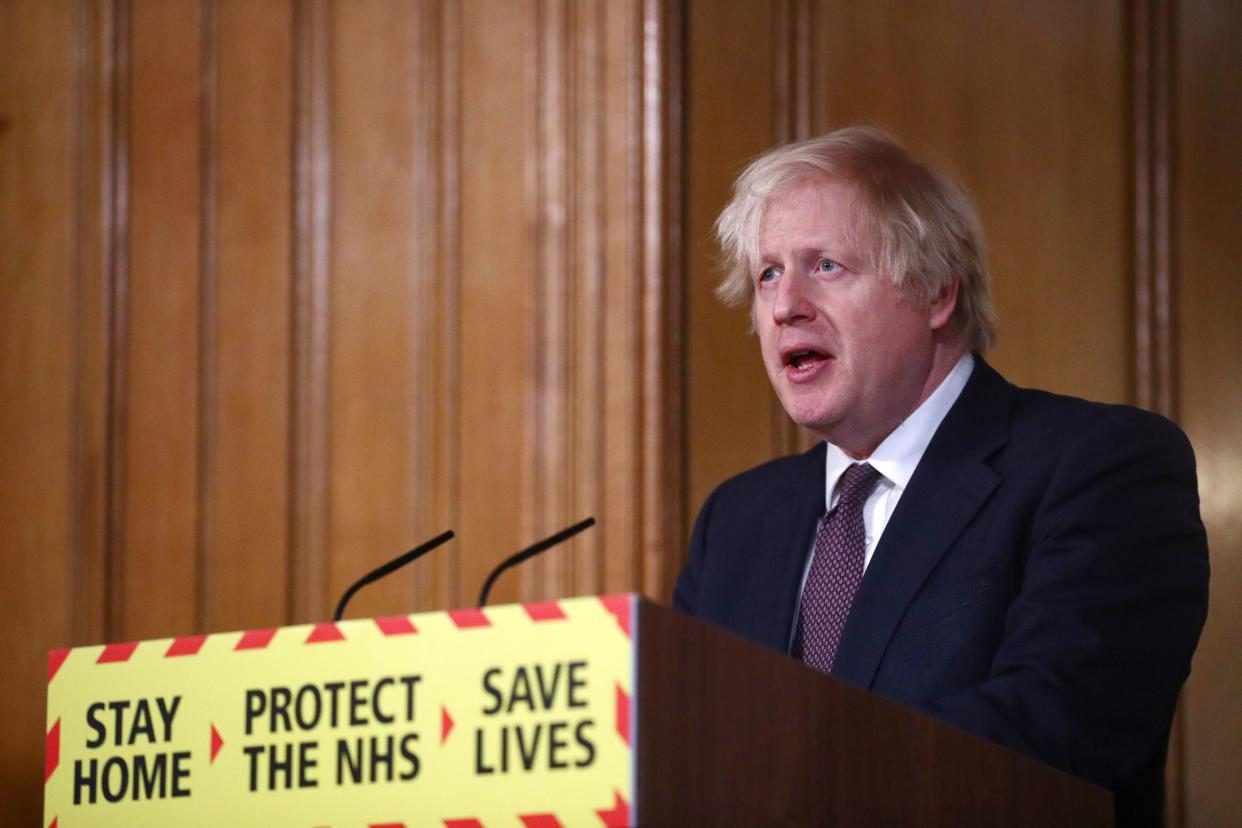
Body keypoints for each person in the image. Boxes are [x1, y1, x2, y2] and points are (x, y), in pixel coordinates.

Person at [673, 127, 1209, 826]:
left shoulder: (1099, 466)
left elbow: (1060, 730)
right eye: (768, 273)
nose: (784, 306)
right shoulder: (739, 519)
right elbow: (675, 744)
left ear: (936, 293)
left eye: (826, 266)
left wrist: (772, 765)